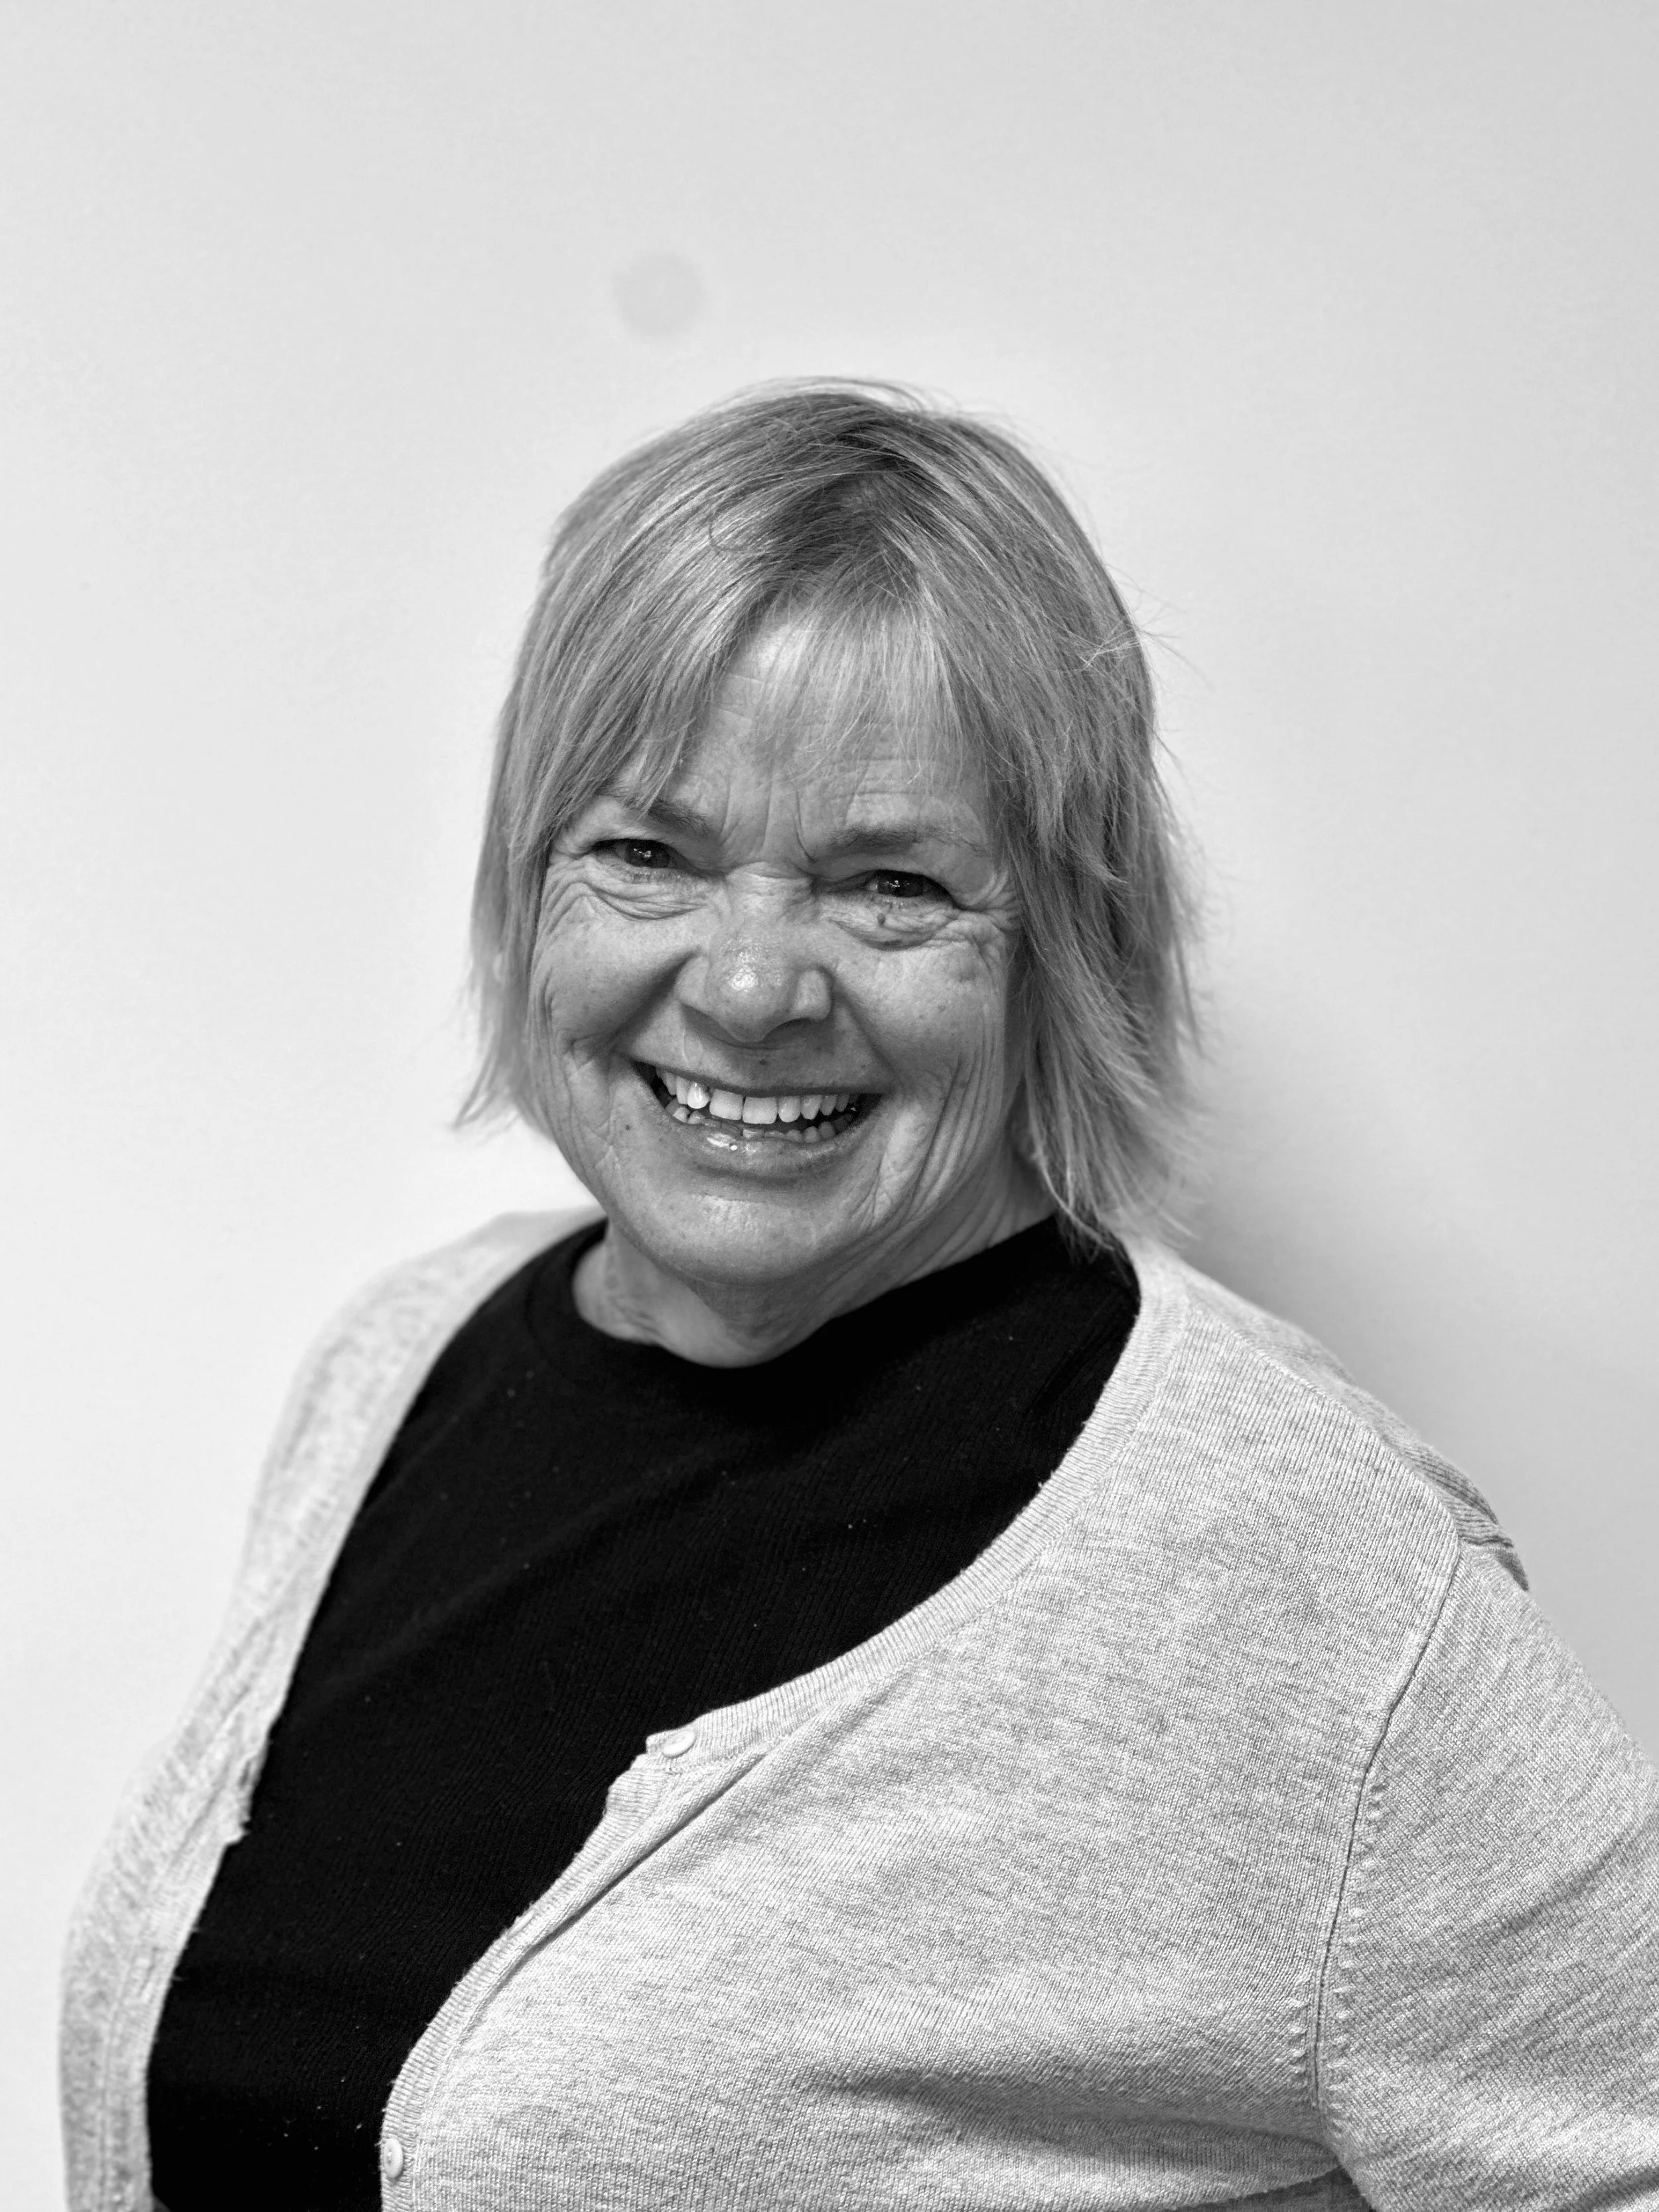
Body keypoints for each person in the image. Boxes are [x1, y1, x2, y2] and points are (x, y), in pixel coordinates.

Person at [62, 384, 1659, 2212]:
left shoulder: (1303, 1572)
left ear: (1061, 943)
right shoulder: (399, 1361)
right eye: (647, 854)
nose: (750, 987)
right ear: (527, 889)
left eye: (889, 885)